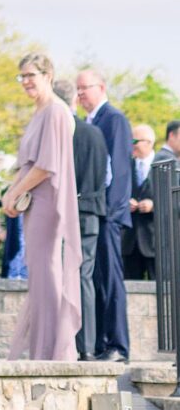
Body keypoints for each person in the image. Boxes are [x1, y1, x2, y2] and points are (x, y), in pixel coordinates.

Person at [5, 52, 82, 361]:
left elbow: (47, 166)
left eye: (30, 75)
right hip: (33, 201)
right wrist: (10, 193)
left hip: (48, 200)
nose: (25, 82)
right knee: (38, 273)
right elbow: (27, 165)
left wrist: (15, 193)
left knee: (46, 270)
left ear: (47, 75)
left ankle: (52, 349)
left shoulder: (55, 112)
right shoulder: (38, 112)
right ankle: (42, 345)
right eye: (21, 76)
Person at [76, 67, 134, 362]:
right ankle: (99, 342)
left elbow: (120, 171)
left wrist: (110, 213)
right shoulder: (89, 121)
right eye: (78, 89)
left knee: (111, 280)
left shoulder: (114, 119)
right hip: (93, 215)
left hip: (107, 215)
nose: (80, 94)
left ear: (101, 87)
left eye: (85, 88)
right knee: (95, 279)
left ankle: (118, 345)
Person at [53, 75, 107, 358]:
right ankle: (86, 347)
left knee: (61, 277)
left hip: (65, 213)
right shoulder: (95, 133)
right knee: (84, 278)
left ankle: (64, 344)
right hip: (91, 212)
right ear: (74, 98)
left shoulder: (60, 130)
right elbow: (106, 176)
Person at [124, 126, 158, 283]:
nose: (131, 144)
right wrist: (125, 203)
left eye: (135, 141)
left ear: (149, 142)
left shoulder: (165, 166)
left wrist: (154, 205)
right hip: (128, 242)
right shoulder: (124, 166)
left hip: (154, 242)